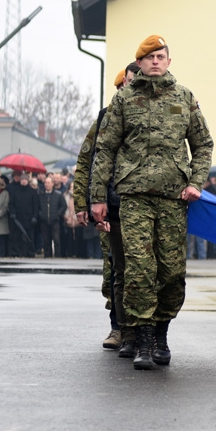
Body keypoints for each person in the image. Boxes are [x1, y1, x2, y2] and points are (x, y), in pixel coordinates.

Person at [90, 35, 214, 370]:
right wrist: (98, 197)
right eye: (149, 58)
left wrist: (196, 183)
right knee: (139, 270)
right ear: (140, 63)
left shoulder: (184, 97)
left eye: (160, 56)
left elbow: (203, 144)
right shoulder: (124, 99)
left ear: (168, 61)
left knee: (172, 272)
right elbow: (105, 150)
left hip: (174, 199)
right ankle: (143, 340)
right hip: (134, 198)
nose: (155, 62)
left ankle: (161, 333)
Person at [74, 62, 138, 352]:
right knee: (115, 268)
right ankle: (118, 327)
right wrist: (83, 201)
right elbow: (86, 160)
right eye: (129, 82)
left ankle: (140, 330)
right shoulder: (104, 117)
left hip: (138, 204)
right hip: (110, 207)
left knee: (141, 269)